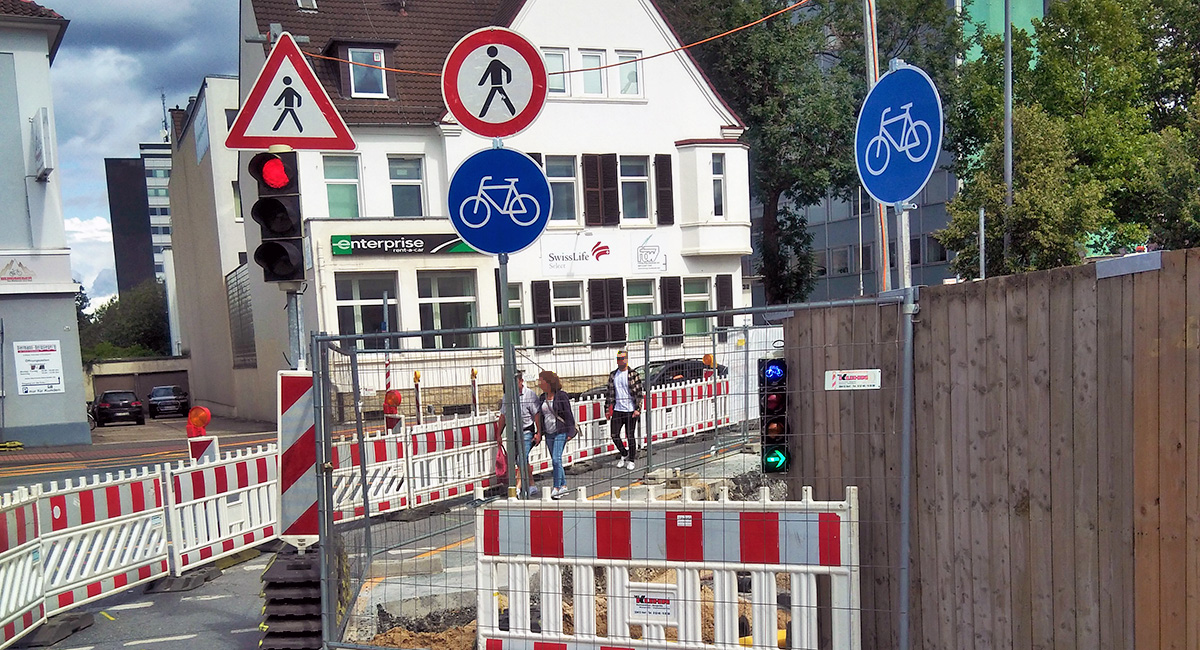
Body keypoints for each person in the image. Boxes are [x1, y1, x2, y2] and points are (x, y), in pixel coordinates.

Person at [495, 370, 540, 497]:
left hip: (526, 431)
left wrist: (538, 433)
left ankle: (517, 487)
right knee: (519, 460)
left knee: (521, 458)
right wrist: (499, 434)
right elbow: (503, 416)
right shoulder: (507, 396)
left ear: (521, 381)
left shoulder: (530, 395)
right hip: (513, 432)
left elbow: (536, 415)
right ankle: (531, 484)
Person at [535, 370, 576, 499]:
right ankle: (564, 486)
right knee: (556, 460)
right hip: (549, 432)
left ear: (548, 382)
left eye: (541, 380)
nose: (539, 383)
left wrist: (570, 432)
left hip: (560, 431)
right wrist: (540, 432)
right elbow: (541, 417)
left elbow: (568, 415)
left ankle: (557, 487)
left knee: (555, 459)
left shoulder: (561, 396)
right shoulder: (542, 397)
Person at [605, 350, 644, 470]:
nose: (620, 361)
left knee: (630, 435)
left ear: (626, 360)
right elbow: (610, 393)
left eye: (622, 358)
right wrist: (607, 409)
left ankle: (631, 459)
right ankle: (624, 453)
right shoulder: (613, 375)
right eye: (618, 359)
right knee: (614, 434)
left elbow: (639, 393)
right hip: (618, 409)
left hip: (630, 410)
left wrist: (637, 409)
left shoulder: (633, 374)